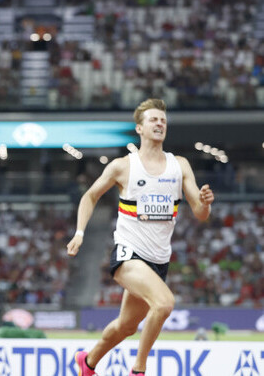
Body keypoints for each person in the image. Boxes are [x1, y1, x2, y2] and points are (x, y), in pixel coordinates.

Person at [66, 98, 214, 376]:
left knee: (126, 326)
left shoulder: (179, 165)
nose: (160, 123)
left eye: (163, 120)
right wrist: (80, 232)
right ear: (140, 128)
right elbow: (90, 196)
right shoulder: (123, 166)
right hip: (128, 255)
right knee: (165, 304)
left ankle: (87, 363)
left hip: (158, 261)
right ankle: (138, 369)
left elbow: (200, 213)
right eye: (153, 120)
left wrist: (205, 203)